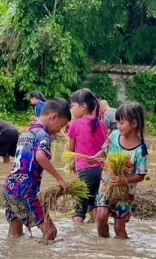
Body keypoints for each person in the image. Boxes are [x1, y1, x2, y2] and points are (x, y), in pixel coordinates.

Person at [3, 98, 71, 241]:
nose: (60, 130)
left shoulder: (27, 132)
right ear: (54, 117)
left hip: (10, 186)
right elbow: (40, 156)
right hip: (25, 189)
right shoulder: (43, 135)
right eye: (62, 125)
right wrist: (60, 179)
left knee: (15, 233)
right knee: (50, 231)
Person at [91, 101, 148, 239]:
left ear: (134, 124)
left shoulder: (141, 150)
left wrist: (125, 179)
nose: (118, 126)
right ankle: (103, 249)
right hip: (106, 185)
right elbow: (104, 151)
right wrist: (94, 157)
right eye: (117, 122)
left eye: (122, 123)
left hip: (125, 192)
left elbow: (141, 175)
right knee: (101, 217)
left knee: (118, 227)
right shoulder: (114, 135)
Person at [68, 89, 108, 224]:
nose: (71, 109)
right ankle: (96, 239)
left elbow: (70, 150)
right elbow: (105, 147)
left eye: (73, 105)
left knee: (79, 210)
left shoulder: (75, 124)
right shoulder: (101, 124)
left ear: (83, 106)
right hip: (102, 171)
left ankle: (76, 237)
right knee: (94, 204)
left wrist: (72, 163)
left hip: (84, 170)